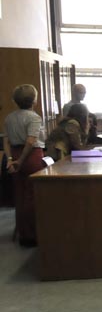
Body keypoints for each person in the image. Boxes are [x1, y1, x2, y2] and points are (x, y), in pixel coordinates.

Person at [4, 85, 46, 247]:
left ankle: (23, 233)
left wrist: (10, 159)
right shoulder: (34, 117)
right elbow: (30, 140)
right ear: (34, 100)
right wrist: (21, 161)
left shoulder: (9, 117)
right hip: (30, 156)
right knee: (32, 196)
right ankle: (32, 234)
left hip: (14, 153)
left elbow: (6, 140)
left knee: (20, 196)